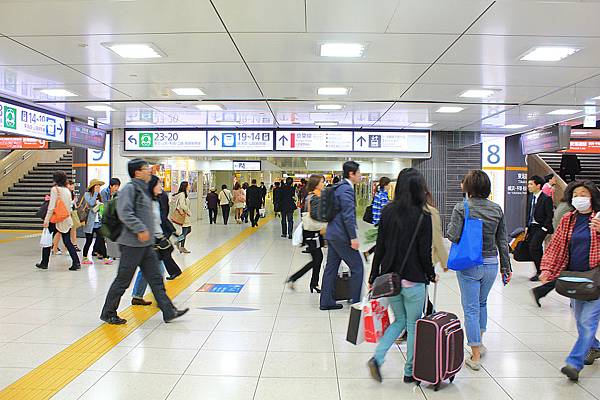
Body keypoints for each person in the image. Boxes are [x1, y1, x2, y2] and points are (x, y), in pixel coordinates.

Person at [367, 168, 437, 384]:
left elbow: (380, 246)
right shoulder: (423, 216)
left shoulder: (388, 211)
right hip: (414, 280)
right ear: (419, 189)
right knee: (413, 323)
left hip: (390, 281)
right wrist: (431, 274)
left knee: (400, 321)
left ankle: (377, 358)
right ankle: (409, 371)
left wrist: (373, 275)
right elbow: (424, 252)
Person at [100, 159, 188, 325]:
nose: (149, 171)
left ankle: (168, 311)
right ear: (137, 172)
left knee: (155, 279)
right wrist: (140, 229)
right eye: (146, 168)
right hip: (131, 244)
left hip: (146, 245)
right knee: (123, 280)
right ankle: (108, 312)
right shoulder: (130, 189)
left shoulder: (144, 189)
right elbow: (125, 212)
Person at [447, 170, 512, 371]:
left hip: (470, 263)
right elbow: (502, 240)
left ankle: (475, 355)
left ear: (469, 187)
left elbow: (453, 236)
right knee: (482, 304)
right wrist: (506, 267)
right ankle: (480, 342)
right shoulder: (496, 209)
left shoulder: (462, 207)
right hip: (491, 263)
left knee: (471, 309)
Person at [540, 180, 600, 381]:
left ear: (592, 196)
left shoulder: (598, 219)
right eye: (575, 194)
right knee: (581, 321)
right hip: (575, 279)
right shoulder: (568, 219)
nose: (579, 198)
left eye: (584, 194)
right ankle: (595, 347)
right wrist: (547, 269)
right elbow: (556, 246)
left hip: (596, 280)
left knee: (587, 322)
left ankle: (574, 364)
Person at [131, 175, 183, 306]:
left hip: (156, 238)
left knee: (148, 270)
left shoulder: (158, 199)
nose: (161, 186)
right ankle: (162, 301)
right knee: (157, 271)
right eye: (158, 184)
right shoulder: (145, 201)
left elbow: (162, 218)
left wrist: (171, 231)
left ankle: (138, 296)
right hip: (149, 240)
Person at [320, 161, 363, 310]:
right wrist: (353, 237)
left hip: (332, 233)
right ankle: (357, 303)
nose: (360, 176)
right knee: (358, 267)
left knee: (331, 268)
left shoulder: (338, 187)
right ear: (351, 174)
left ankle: (326, 301)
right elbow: (348, 216)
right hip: (341, 236)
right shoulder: (346, 190)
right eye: (359, 173)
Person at [532, 182, 577, 307]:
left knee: (567, 274)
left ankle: (541, 291)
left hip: (566, 246)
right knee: (567, 274)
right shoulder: (569, 211)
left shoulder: (564, 205)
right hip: (567, 247)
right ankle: (541, 291)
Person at [286, 174, 325, 293]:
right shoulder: (315, 197)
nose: (323, 184)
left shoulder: (311, 196)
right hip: (313, 232)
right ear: (316, 184)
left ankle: (311, 283)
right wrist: (327, 220)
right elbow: (315, 215)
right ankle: (299, 280)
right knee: (317, 258)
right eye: (322, 182)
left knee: (317, 258)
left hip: (311, 231)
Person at [37, 171, 81, 271]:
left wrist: (47, 219)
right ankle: (76, 262)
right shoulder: (67, 190)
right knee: (67, 241)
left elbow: (51, 207)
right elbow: (69, 206)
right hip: (66, 218)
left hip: (55, 219)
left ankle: (44, 263)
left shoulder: (55, 189)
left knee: (47, 240)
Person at [526, 175, 554, 281]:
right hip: (532, 226)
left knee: (534, 246)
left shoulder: (546, 199)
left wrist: (545, 228)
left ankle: (540, 271)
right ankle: (543, 270)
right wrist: (526, 226)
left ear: (538, 186)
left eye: (531, 184)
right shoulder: (530, 198)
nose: (529, 186)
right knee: (534, 248)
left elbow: (549, 215)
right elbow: (528, 213)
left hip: (541, 227)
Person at [82, 179, 111, 265]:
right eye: (96, 186)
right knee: (89, 241)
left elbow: (100, 208)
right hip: (90, 223)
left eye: (99, 186)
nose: (98, 188)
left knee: (101, 240)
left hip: (98, 222)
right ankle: (84, 258)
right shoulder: (87, 194)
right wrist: (95, 193)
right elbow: (91, 203)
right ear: (92, 187)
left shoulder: (99, 195)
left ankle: (105, 257)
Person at [363, 177, 391, 259]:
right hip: (381, 222)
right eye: (389, 185)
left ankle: (368, 253)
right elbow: (385, 211)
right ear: (385, 185)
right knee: (383, 242)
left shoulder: (378, 194)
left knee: (381, 241)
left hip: (377, 221)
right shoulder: (383, 196)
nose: (390, 187)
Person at [52, 180, 79, 254]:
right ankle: (56, 248)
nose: (72, 186)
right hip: (64, 215)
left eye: (73, 185)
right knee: (61, 232)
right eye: (70, 185)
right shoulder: (64, 192)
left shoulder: (70, 193)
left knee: (68, 232)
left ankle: (62, 248)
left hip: (69, 214)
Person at [173, 181, 192, 253]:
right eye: (189, 185)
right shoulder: (182, 194)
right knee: (185, 231)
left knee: (188, 230)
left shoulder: (185, 194)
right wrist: (188, 211)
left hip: (185, 215)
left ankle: (178, 241)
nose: (190, 186)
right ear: (186, 186)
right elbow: (182, 205)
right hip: (184, 215)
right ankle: (181, 246)